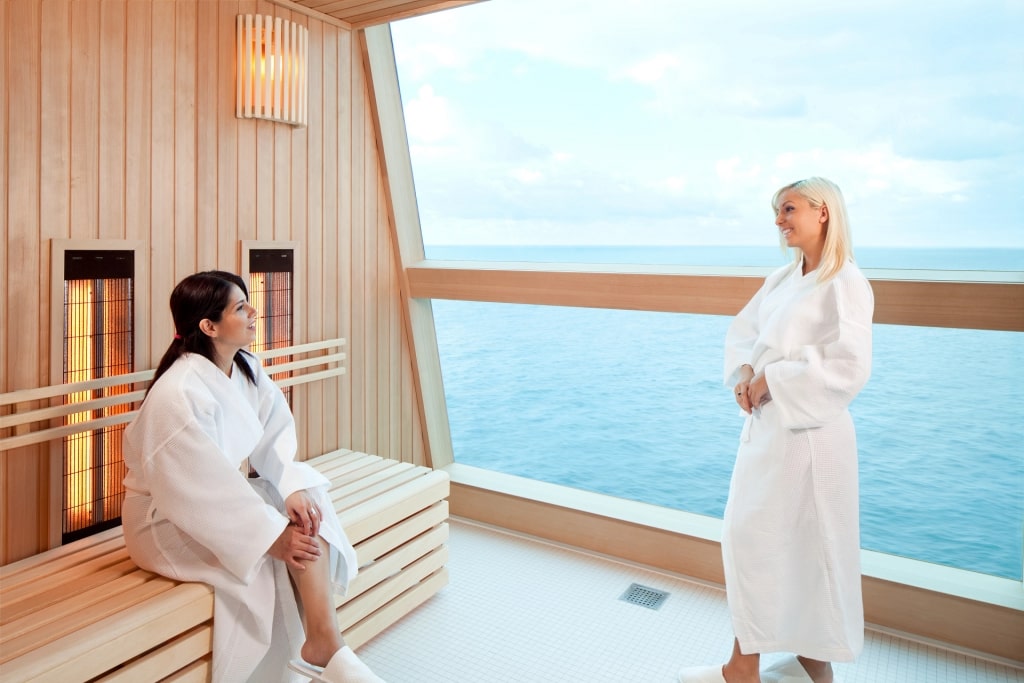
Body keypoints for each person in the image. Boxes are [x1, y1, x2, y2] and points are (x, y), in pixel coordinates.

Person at [122, 271, 385, 683]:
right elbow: (195, 487)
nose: (253, 312)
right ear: (209, 326)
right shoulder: (178, 394)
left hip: (217, 504)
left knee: (305, 503)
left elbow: (275, 434)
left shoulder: (245, 368)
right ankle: (319, 652)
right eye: (240, 307)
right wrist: (269, 536)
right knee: (272, 547)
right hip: (164, 520)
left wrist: (291, 487)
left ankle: (324, 642)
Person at [679, 178, 873, 683]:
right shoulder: (783, 279)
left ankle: (746, 668)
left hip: (810, 437)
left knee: (797, 546)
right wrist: (746, 375)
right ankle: (806, 665)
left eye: (788, 209)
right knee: (763, 542)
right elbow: (744, 333)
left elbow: (850, 364)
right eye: (776, 211)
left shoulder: (844, 282)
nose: (779, 220)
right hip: (770, 432)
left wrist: (774, 379)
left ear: (823, 212)